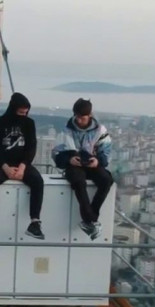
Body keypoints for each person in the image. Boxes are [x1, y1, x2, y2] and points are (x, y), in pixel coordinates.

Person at [0, 92, 44, 240]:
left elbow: (31, 147)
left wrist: (23, 167)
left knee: (38, 181)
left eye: (26, 112)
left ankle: (34, 222)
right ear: (13, 109)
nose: (24, 115)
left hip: (22, 163)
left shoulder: (29, 124)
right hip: (1, 164)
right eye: (21, 112)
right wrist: (5, 168)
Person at [53, 98, 114, 240]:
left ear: (90, 116)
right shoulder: (66, 130)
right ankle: (91, 220)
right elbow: (56, 154)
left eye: (83, 117)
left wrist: (97, 161)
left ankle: (90, 220)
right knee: (78, 181)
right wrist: (69, 159)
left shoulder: (100, 131)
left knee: (106, 180)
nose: (79, 120)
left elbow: (107, 152)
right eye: (77, 117)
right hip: (73, 164)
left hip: (92, 164)